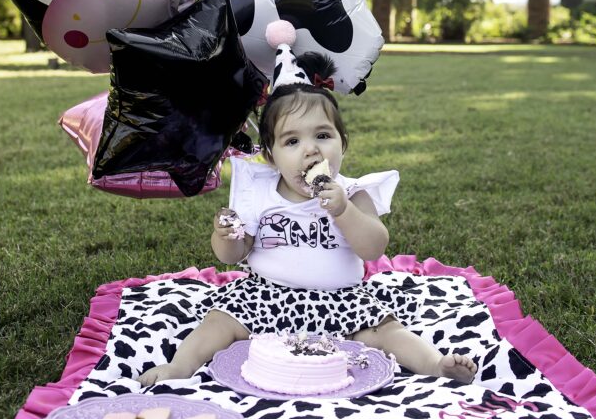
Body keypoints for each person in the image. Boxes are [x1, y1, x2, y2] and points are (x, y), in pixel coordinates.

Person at [138, 21, 477, 387]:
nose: (311, 149)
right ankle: (180, 367)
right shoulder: (260, 192)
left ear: (342, 144)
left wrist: (344, 210)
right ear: (270, 157)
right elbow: (232, 256)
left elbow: (374, 247)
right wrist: (226, 234)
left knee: (386, 331)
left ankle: (435, 364)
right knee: (219, 321)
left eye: (322, 135)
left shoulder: (352, 191)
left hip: (342, 301)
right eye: (292, 142)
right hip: (266, 295)